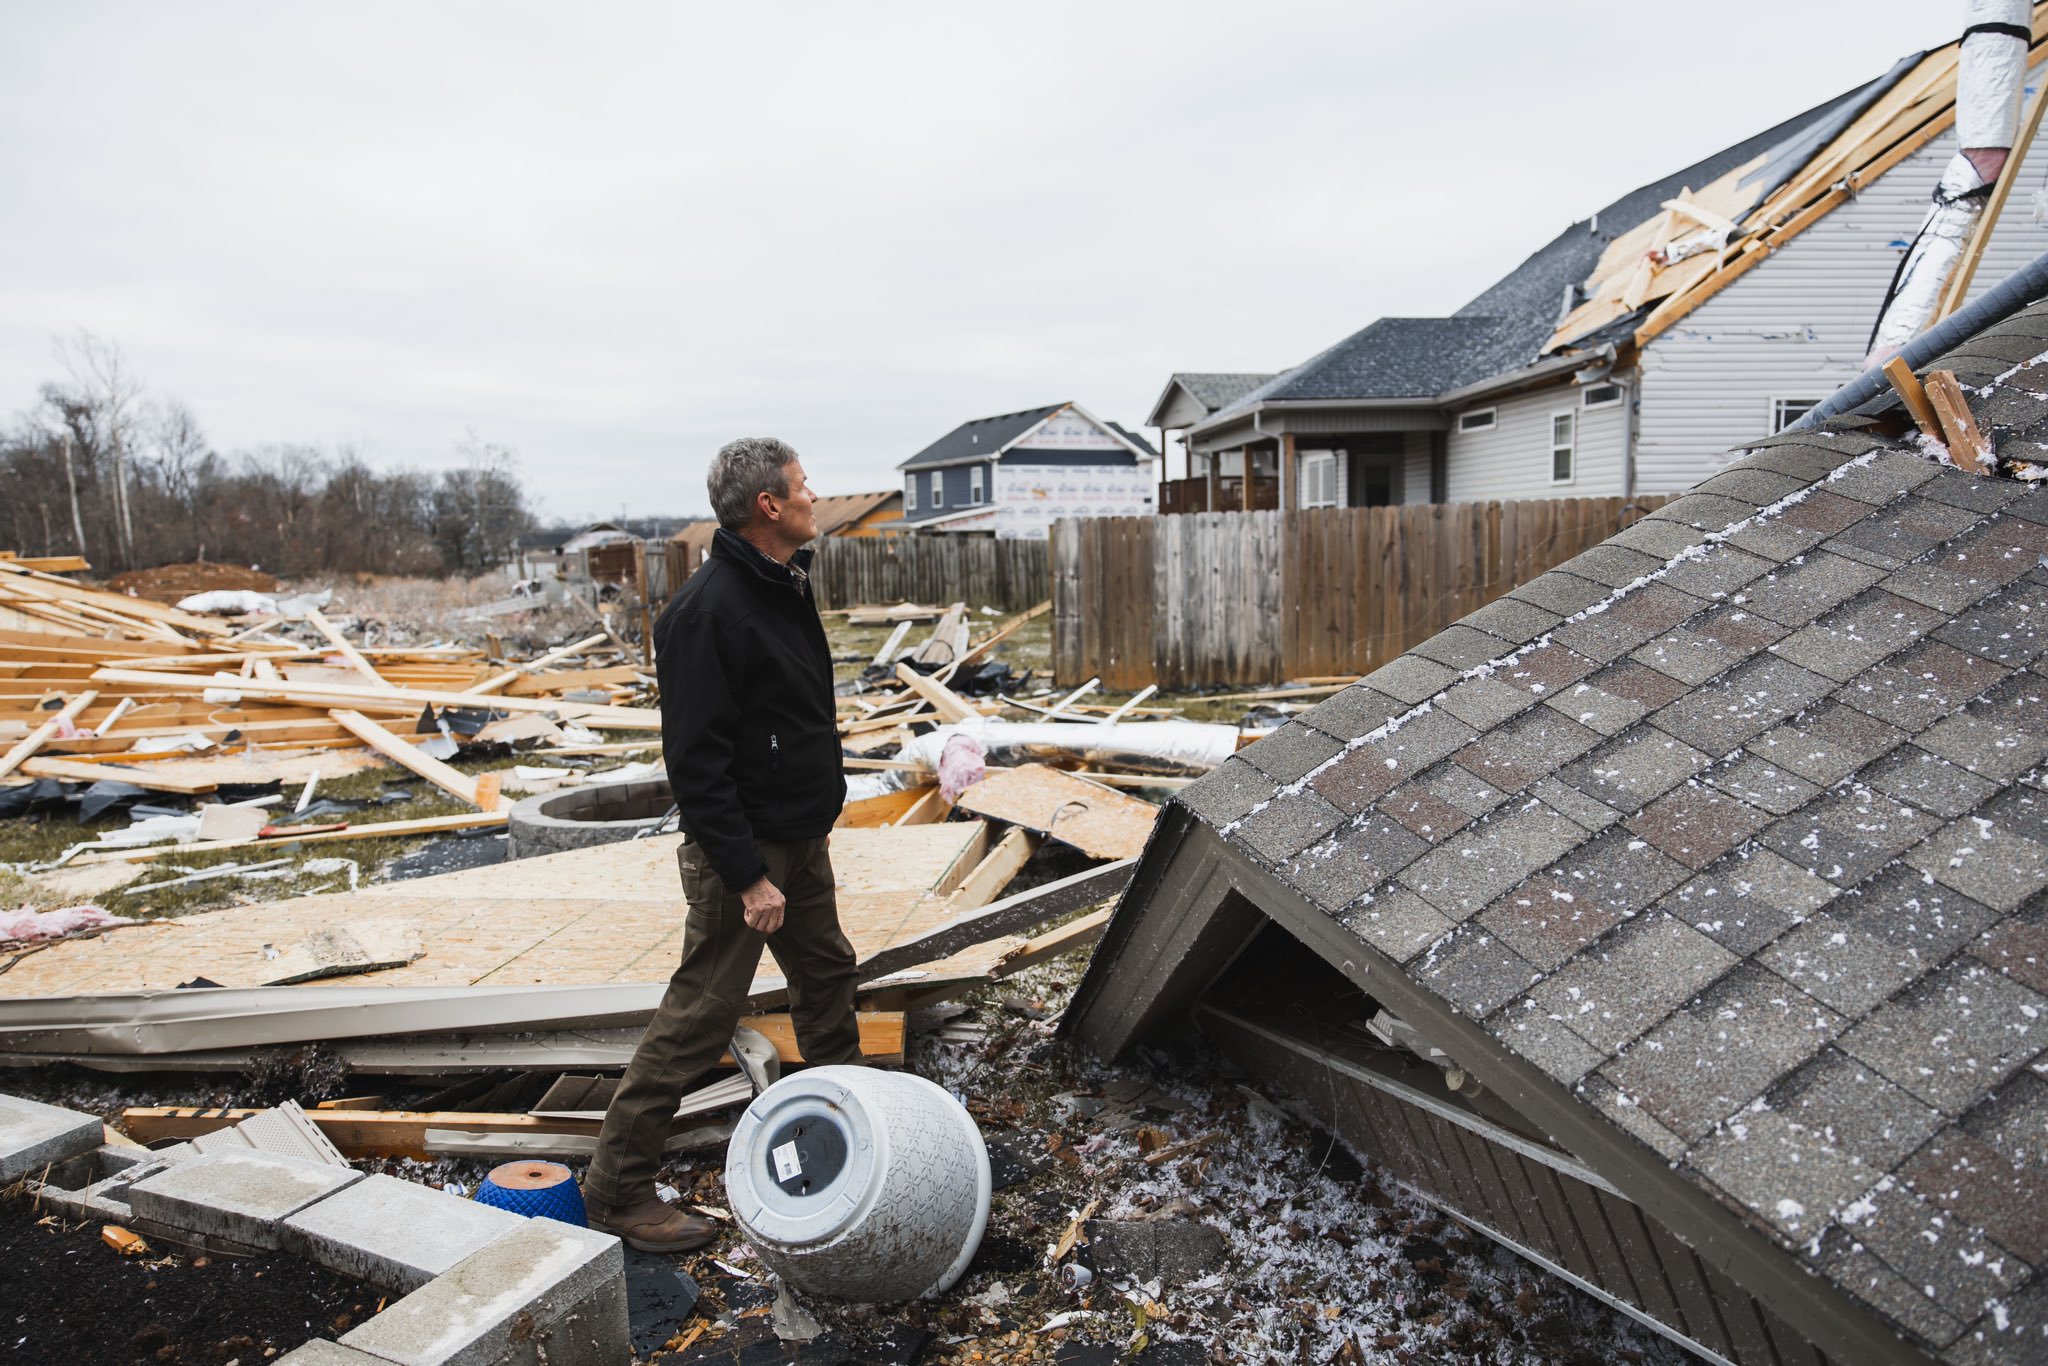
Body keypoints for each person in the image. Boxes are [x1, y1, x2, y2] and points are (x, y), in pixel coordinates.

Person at [582, 436, 861, 1252]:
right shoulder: (707, 613)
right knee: (701, 1017)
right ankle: (618, 1188)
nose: (815, 494)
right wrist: (746, 877)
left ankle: (853, 1125)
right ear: (769, 506)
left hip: (798, 836)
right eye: (804, 485)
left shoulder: (781, 586)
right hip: (746, 854)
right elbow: (694, 765)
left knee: (828, 981)